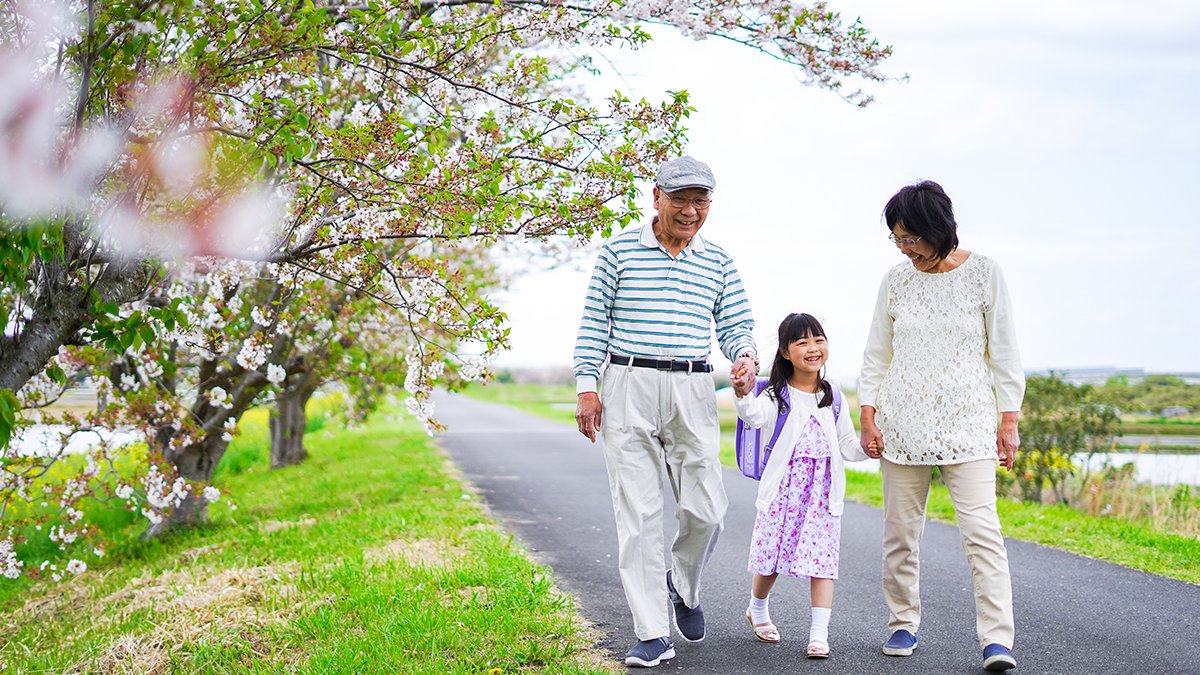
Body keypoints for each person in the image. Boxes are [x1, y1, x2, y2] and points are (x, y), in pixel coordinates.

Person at [572, 156, 759, 668]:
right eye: (680, 200)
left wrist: (745, 357)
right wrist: (587, 387)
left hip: (693, 386)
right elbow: (593, 325)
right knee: (639, 514)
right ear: (656, 197)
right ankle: (652, 633)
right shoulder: (618, 253)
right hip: (627, 383)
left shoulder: (718, 261)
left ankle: (683, 584)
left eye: (701, 202)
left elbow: (737, 324)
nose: (691, 211)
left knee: (708, 509)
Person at [858, 180, 1025, 672]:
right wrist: (868, 414)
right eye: (897, 239)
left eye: (911, 238)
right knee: (899, 535)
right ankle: (902, 622)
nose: (904, 249)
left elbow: (1005, 352)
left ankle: (997, 640)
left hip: (969, 422)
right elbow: (876, 354)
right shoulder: (895, 281)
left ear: (938, 229)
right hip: (901, 423)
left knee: (982, 533)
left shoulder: (984, 273)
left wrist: (1009, 419)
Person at [731, 313, 869, 659]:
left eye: (818, 340)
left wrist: (868, 447)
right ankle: (757, 608)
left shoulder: (833, 395)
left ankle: (819, 634)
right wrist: (743, 393)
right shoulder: (776, 393)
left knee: (822, 563)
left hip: (821, 494)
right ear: (785, 351)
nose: (813, 348)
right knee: (770, 558)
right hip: (783, 492)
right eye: (802, 342)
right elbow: (754, 416)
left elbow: (847, 444)